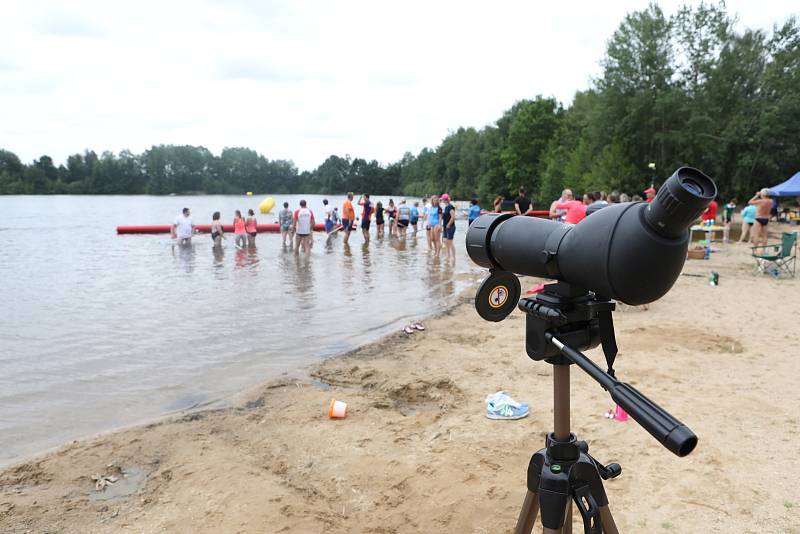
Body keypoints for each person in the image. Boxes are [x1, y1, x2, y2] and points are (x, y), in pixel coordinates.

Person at [441, 193, 456, 259]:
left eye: (442, 199)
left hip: (450, 227)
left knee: (450, 242)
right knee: (444, 240)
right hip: (445, 227)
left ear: (445, 200)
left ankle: (453, 257)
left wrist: (448, 224)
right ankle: (448, 256)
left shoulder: (450, 206)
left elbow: (453, 217)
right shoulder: (446, 207)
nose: (442, 201)